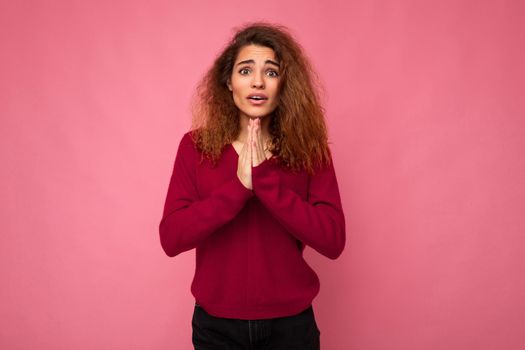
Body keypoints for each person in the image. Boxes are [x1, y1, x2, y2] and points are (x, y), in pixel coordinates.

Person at [158, 22, 346, 349]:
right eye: (245, 70)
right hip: (216, 327)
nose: (258, 81)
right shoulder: (195, 147)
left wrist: (267, 185)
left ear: (284, 84)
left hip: (291, 327)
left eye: (271, 72)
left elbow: (332, 240)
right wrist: (238, 188)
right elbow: (172, 237)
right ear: (228, 82)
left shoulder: (309, 149)